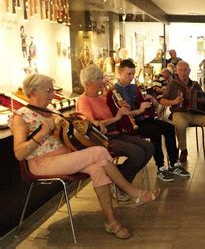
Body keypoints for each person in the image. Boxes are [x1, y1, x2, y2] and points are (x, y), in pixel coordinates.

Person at [10, 74, 158, 239]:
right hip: (42, 163)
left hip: (65, 158)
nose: (52, 94)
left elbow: (68, 133)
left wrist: (91, 127)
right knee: (100, 151)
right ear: (33, 92)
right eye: (49, 90)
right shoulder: (21, 116)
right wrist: (42, 134)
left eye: (52, 90)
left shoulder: (51, 110)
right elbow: (19, 153)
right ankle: (131, 192)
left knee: (97, 169)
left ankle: (111, 222)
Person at [77, 65, 155, 201]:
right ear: (89, 82)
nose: (103, 81)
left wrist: (124, 108)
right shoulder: (83, 100)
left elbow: (119, 114)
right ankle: (121, 186)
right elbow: (91, 125)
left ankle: (117, 176)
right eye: (99, 79)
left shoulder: (104, 98)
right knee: (137, 152)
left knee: (148, 147)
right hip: (101, 139)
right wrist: (116, 118)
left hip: (116, 133)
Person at [106, 59, 189, 182]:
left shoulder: (134, 88)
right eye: (128, 74)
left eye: (133, 74)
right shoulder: (114, 92)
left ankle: (174, 163)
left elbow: (142, 105)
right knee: (154, 131)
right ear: (120, 73)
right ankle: (160, 167)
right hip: (128, 125)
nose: (131, 77)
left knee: (169, 127)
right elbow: (123, 116)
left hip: (142, 119)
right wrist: (140, 110)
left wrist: (151, 102)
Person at [159, 61, 205, 164]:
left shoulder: (195, 85)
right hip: (179, 113)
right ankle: (183, 150)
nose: (183, 73)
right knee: (179, 124)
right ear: (176, 71)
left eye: (185, 70)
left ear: (189, 71)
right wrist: (173, 101)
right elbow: (162, 100)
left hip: (195, 114)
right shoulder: (173, 84)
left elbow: (203, 100)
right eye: (180, 70)